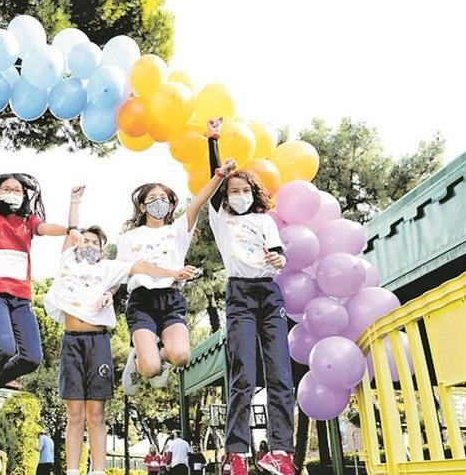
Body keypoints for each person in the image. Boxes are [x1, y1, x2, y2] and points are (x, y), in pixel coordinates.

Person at [44, 186, 194, 475]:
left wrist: (173, 273)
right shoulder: (67, 262)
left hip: (98, 342)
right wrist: (74, 201)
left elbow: (141, 266)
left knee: (95, 414)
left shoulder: (109, 268)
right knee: (75, 414)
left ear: (102, 249)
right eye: (83, 240)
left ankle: (97, 471)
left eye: (94, 242)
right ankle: (73, 471)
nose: (87, 244)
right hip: (71, 342)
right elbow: (71, 231)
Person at [0, 114, 85, 431]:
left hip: (21, 300)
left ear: (26, 196)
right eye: (6, 188)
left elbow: (49, 227)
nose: (12, 191)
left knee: (32, 358)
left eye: (18, 189)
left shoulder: (27, 223)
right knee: (4, 347)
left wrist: (72, 222)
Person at [117, 120, 236, 396]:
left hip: (170, 300)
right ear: (143, 205)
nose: (159, 202)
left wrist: (219, 175)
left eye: (165, 198)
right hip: (142, 301)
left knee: (181, 356)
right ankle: (139, 360)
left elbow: (199, 200)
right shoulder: (128, 238)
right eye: (153, 198)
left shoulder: (178, 230)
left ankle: (159, 352)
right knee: (150, 370)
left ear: (171, 205)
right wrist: (172, 272)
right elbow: (132, 269)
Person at [206, 119, 295, 475]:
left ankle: (281, 452)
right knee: (243, 372)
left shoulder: (265, 220)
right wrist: (212, 141)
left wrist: (281, 258)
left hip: (269, 295)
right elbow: (211, 179)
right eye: (233, 191)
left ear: (253, 193)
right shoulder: (220, 218)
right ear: (226, 197)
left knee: (280, 376)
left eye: (245, 190)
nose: (239, 195)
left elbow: (277, 253)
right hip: (239, 295)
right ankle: (238, 452)